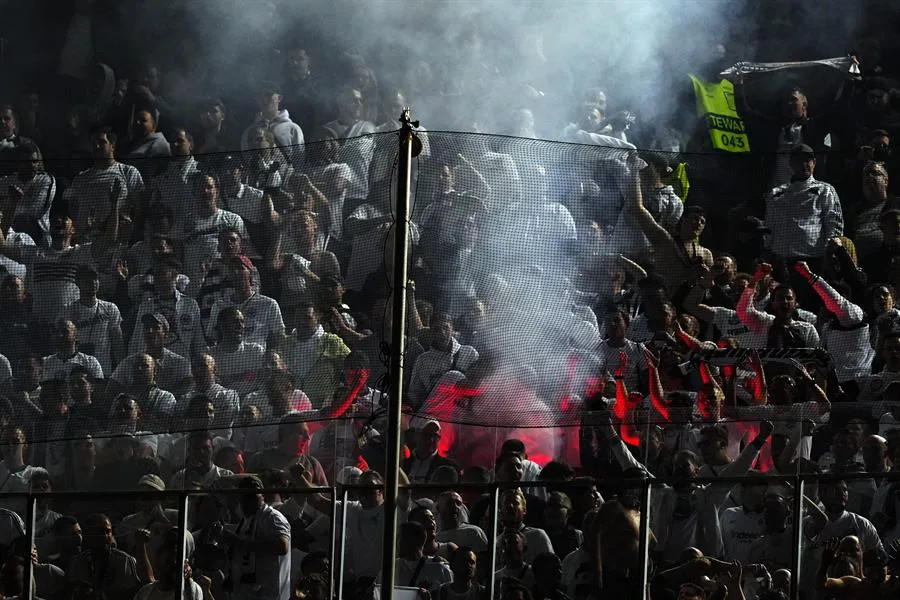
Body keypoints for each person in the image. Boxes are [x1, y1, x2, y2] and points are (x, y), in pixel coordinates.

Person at [64, 127, 144, 238]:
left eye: (102, 142)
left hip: (116, 239)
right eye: (93, 143)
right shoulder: (80, 178)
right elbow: (73, 210)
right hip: (86, 242)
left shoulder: (128, 172)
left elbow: (139, 207)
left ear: (113, 146)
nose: (97, 146)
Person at [224, 476, 292, 600]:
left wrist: (239, 543)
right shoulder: (245, 520)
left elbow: (283, 546)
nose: (248, 500)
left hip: (271, 594)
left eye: (253, 495)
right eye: (245, 495)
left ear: (262, 496)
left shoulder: (273, 517)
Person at [58, 264, 124, 374]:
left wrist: (121, 371)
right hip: (75, 369)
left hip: (103, 370)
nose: (93, 283)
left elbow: (118, 344)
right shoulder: (67, 310)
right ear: (78, 283)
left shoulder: (110, 308)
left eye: (95, 279)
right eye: (87, 280)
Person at [66, 513, 142, 598]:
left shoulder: (124, 561)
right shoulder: (79, 562)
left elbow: (129, 593)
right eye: (100, 532)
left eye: (108, 531)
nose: (105, 536)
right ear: (88, 534)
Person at [240, 85, 305, 168]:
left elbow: (299, 161)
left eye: (268, 94)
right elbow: (247, 161)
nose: (264, 99)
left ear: (279, 98)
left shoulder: (292, 129)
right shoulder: (249, 132)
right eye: (260, 96)